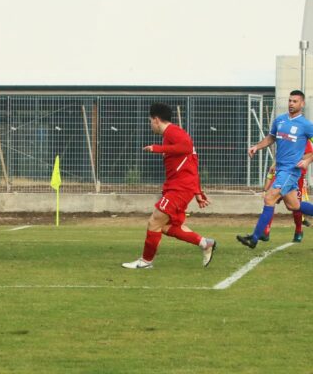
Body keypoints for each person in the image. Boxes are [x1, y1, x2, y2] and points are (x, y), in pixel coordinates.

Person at [122, 103, 216, 269]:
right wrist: (197, 192)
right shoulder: (170, 136)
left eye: (150, 120)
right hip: (179, 187)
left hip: (179, 189)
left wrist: (156, 148)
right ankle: (204, 243)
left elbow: (187, 147)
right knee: (167, 226)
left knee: (154, 221)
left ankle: (145, 261)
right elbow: (192, 163)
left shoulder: (173, 132)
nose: (150, 124)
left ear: (156, 120)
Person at [237, 90, 313, 249]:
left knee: (269, 198)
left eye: (295, 101)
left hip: (291, 170)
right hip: (280, 169)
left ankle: (255, 237)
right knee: (294, 206)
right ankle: (257, 235)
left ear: (302, 104)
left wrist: (307, 161)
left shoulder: (306, 125)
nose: (291, 104)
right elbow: (271, 137)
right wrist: (257, 147)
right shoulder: (280, 120)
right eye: (290, 101)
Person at [260, 139, 312, 243]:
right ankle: (265, 231)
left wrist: (293, 160)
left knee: (295, 206)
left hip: (297, 175)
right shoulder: (286, 135)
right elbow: (282, 154)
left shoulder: (303, 138)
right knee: (270, 199)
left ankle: (298, 230)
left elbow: (309, 154)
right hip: (282, 173)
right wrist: (275, 165)